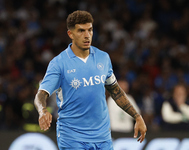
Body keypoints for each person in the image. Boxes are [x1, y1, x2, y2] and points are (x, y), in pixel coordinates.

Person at [34, 10, 147, 150]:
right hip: (72, 137)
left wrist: (137, 116)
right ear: (71, 34)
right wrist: (42, 111)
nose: (87, 35)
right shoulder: (59, 63)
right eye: (81, 31)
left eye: (90, 30)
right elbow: (41, 94)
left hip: (103, 137)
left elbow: (116, 91)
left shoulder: (103, 58)